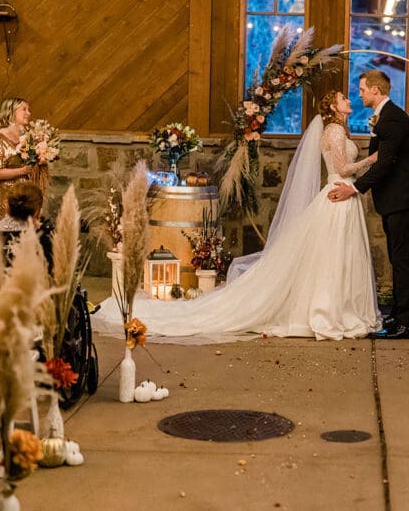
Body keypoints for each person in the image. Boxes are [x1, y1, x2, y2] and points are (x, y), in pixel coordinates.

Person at [92, 90, 381, 343]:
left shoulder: (339, 130)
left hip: (343, 194)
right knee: (332, 256)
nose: (349, 100)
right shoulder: (334, 131)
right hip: (338, 192)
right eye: (343, 98)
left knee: (334, 256)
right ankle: (328, 309)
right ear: (332, 107)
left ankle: (337, 306)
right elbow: (342, 168)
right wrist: (372, 158)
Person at [328, 70, 409, 340]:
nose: (358, 93)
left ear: (376, 90)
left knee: (402, 261)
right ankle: (399, 314)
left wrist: (355, 188)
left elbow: (384, 162)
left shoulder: (393, 119)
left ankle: (407, 324)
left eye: (362, 89)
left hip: (403, 200)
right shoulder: (385, 117)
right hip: (395, 200)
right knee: (398, 259)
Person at [0, 97, 42, 219]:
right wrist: (22, 171)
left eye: (28, 110)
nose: (28, 113)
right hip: (9, 196)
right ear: (11, 112)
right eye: (24, 109)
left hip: (29, 196)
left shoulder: (30, 137)